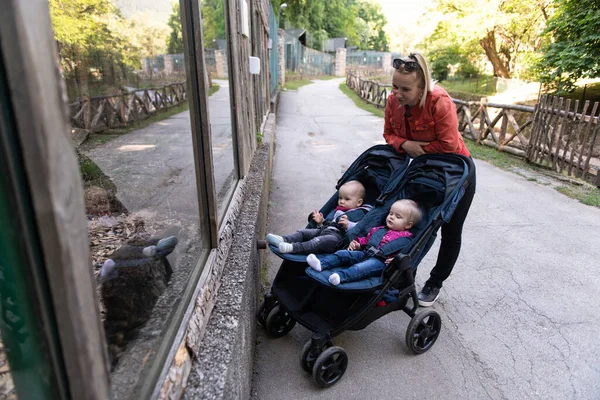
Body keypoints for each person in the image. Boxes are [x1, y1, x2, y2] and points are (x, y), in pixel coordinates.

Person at [383, 52, 476, 306]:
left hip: (456, 172)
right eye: (394, 87)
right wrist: (406, 143)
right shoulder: (393, 101)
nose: (397, 94)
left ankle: (434, 282)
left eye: (405, 89)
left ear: (421, 87)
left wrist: (417, 149)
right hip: (420, 170)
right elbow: (388, 133)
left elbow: (448, 143)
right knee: (411, 221)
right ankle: (400, 275)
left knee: (449, 229)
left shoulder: (439, 102)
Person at [306, 199, 422, 286]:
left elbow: (406, 255)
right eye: (391, 213)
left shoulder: (407, 239)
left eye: (397, 216)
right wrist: (357, 243)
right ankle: (322, 264)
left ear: (408, 225)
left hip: (380, 262)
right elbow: (366, 240)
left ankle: (340, 277)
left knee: (361, 268)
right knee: (342, 253)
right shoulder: (378, 229)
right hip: (364, 252)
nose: (391, 217)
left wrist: (395, 260)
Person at [265, 180, 372, 254]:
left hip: (337, 239)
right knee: (303, 232)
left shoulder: (361, 213)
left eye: (347, 199)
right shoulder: (339, 210)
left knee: (317, 242)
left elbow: (362, 229)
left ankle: (292, 248)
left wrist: (349, 225)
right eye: (340, 198)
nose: (341, 201)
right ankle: (284, 239)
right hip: (324, 230)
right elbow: (331, 223)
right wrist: (321, 222)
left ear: (359, 202)